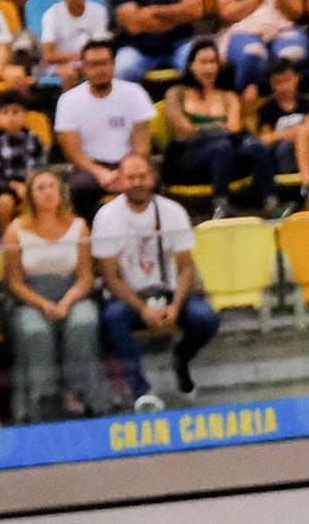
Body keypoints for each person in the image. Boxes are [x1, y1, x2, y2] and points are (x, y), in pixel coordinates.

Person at [92, 150, 219, 413]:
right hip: (130, 297)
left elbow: (186, 268)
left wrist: (175, 307)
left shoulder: (173, 211)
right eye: (130, 177)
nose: (137, 182)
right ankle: (141, 391)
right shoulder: (106, 217)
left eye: (142, 176)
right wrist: (142, 308)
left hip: (170, 293)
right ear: (120, 181)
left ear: (152, 178)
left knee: (206, 319)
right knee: (114, 318)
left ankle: (181, 358)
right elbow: (110, 276)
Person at [1, 168, 105, 423]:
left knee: (84, 323)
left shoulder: (79, 226)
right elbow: (13, 281)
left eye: (52, 186)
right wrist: (43, 303)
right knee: (36, 332)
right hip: (30, 298)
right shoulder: (15, 230)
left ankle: (81, 393)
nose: (48, 192)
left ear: (61, 192)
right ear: (30, 196)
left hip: (73, 293)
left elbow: (86, 276)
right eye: (40, 188)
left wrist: (67, 301)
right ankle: (41, 399)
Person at [53, 41, 155, 220]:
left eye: (104, 63)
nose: (100, 69)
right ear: (83, 67)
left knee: (151, 182)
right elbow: (72, 152)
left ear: (113, 64)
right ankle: (92, 237)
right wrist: (100, 173)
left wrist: (128, 172)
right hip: (89, 167)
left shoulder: (135, 93)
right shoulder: (68, 100)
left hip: (128, 162)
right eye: (93, 64)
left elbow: (142, 146)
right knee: (79, 188)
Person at [242, 58, 309, 212]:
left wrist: (285, 133)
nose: (284, 86)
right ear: (272, 84)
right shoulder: (268, 107)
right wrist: (294, 133)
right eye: (278, 82)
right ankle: (308, 181)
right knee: (300, 132)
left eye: (288, 81)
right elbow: (267, 138)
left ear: (296, 79)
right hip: (282, 156)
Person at [162, 40, 246, 217]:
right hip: (189, 156)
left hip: (226, 156)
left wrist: (210, 129)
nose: (209, 68)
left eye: (213, 62)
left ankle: (271, 202)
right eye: (203, 62)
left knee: (254, 147)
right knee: (222, 144)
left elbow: (234, 127)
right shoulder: (176, 93)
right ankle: (220, 205)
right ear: (191, 65)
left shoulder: (228, 96)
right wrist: (217, 127)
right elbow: (183, 129)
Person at [35, 0, 110, 90]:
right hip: (58, 65)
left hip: (90, 62)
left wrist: (86, 61)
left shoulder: (99, 11)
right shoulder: (51, 15)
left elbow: (101, 45)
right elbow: (48, 55)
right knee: (69, 74)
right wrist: (77, 57)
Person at [0, 97, 47, 226]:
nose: (11, 118)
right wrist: (16, 186)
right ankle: (6, 239)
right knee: (4, 202)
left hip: (30, 182)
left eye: (16, 112)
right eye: (5, 113)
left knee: (36, 197)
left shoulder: (33, 138)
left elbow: (40, 165)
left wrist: (29, 186)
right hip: (4, 185)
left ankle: (37, 232)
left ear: (25, 115)